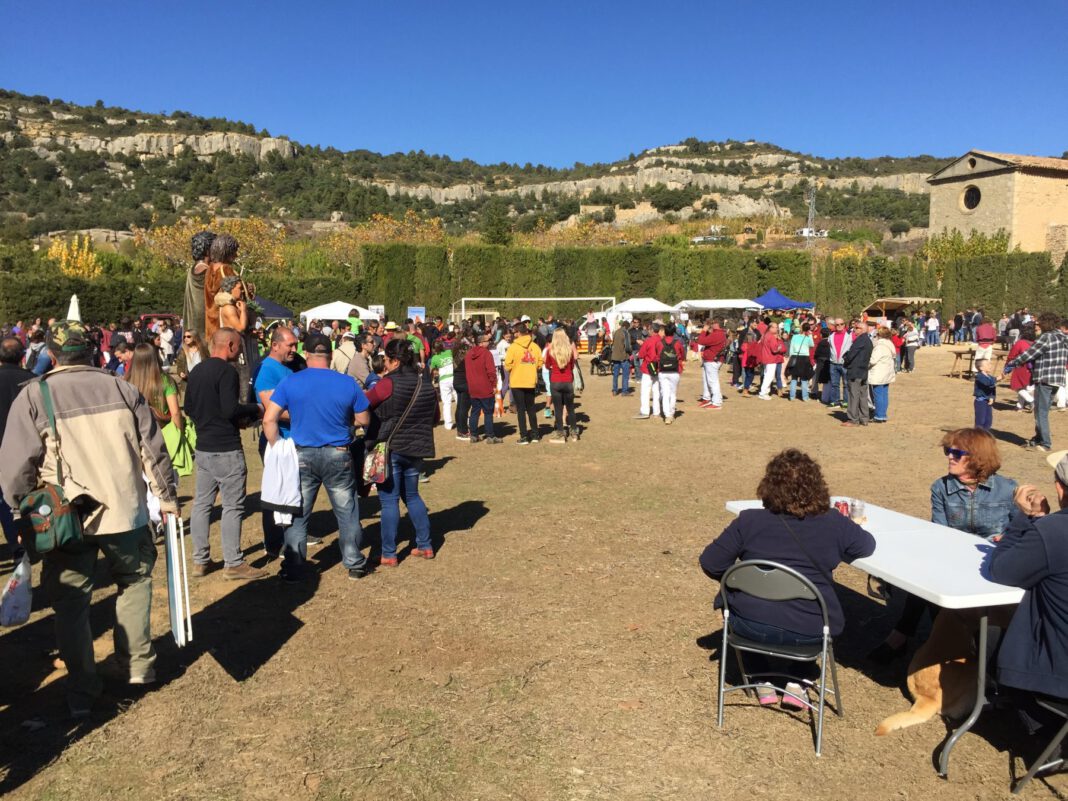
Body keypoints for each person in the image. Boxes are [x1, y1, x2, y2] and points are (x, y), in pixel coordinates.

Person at [0, 321, 177, 715]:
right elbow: (153, 450)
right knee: (133, 583)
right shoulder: (121, 387)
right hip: (124, 509)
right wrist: (166, 497)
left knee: (71, 601)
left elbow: (15, 469)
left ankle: (82, 686)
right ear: (92, 350)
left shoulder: (34, 395)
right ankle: (136, 668)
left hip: (64, 518)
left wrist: (20, 511)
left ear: (51, 352)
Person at [700, 449, 875, 705]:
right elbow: (866, 546)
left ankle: (761, 677)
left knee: (749, 608)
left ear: (768, 485)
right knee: (803, 617)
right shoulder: (834, 523)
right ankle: (798, 679)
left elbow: (710, 562)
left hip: (747, 624)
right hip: (810, 630)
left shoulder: (749, 521)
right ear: (818, 486)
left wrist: (741, 581)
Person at [869, 428, 1018, 663]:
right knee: (924, 574)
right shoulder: (941, 488)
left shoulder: (1008, 489)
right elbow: (940, 532)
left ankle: (903, 637)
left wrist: (1005, 538)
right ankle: (920, 637)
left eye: (957, 453)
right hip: (955, 558)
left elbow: (1020, 531)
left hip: (994, 561)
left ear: (977, 457)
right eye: (948, 451)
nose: (949, 456)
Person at [263, 333, 373, 582]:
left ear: (306, 353)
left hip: (302, 454)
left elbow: (269, 419)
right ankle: (354, 562)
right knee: (347, 512)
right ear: (331, 354)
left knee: (298, 514)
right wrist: (348, 422)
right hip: (339, 453)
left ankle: (293, 566)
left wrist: (278, 446)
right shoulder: (346, 383)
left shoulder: (291, 382)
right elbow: (364, 419)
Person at [184, 328, 265, 580]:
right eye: (239, 346)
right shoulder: (227, 371)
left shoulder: (197, 370)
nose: (240, 350)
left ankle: (200, 560)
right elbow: (230, 409)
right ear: (229, 345)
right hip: (226, 449)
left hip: (204, 447)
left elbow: (188, 407)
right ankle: (233, 563)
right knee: (232, 506)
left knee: (201, 504)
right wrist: (256, 408)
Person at [988, 453, 1068, 704]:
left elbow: (1001, 570)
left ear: (1059, 488)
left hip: (1059, 675)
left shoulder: (1054, 531)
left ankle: (1010, 702)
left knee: (985, 622)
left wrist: (1025, 519)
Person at [362, 339, 438, 565]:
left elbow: (364, 403)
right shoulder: (426, 384)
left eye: (386, 359)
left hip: (391, 447)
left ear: (394, 361)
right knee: (412, 496)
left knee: (389, 501)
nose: (384, 364)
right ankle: (425, 545)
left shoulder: (387, 384)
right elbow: (435, 418)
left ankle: (388, 552)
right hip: (416, 448)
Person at [254, 327, 302, 557]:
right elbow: (271, 409)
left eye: (296, 345)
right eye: (290, 345)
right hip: (276, 439)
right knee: (276, 490)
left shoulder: (287, 368)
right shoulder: (267, 370)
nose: (294, 349)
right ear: (275, 345)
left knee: (294, 487)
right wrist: (307, 414)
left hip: (291, 438)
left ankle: (294, 533)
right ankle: (273, 542)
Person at [1004, 312, 1068, 453]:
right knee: (1042, 410)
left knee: (1040, 412)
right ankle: (1038, 438)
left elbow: (1029, 354)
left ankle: (1045, 443)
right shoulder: (1063, 337)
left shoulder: (1046, 337)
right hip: (1058, 379)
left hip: (1045, 378)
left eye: (1039, 323)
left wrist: (1012, 364)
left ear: (1047, 323)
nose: (1036, 326)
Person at [125, 343, 185, 476]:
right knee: (166, 479)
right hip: (162, 435)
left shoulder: (127, 381)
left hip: (138, 436)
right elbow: (175, 412)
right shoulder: (165, 380)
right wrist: (178, 435)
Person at [0, 337, 33, 554]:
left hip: (2, 444)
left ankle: (15, 539)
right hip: (28, 446)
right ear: (23, 357)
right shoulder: (33, 381)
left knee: (3, 499)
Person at [504, 322, 543, 444]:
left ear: (518, 333)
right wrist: (531, 368)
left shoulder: (513, 347)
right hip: (530, 381)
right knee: (531, 408)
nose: (513, 334)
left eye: (515, 332)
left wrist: (516, 368)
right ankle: (535, 434)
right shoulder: (535, 347)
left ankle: (524, 436)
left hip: (517, 381)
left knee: (521, 409)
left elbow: (507, 365)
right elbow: (540, 363)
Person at [465, 331, 501, 444]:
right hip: (485, 387)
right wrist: (494, 385)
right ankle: (490, 436)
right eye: (487, 340)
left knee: (474, 412)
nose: (489, 342)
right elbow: (491, 371)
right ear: (481, 342)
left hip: (473, 387)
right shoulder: (486, 354)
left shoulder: (469, 354)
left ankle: (474, 435)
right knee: (488, 412)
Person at [544, 328, 578, 442]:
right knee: (570, 408)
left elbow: (547, 365)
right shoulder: (569, 350)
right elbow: (573, 365)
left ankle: (560, 433)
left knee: (558, 409)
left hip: (556, 381)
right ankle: (574, 432)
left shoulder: (550, 350)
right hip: (568, 381)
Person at [203, 233, 238, 342]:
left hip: (211, 326)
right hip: (226, 327)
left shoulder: (210, 269)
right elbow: (237, 293)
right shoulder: (226, 270)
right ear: (226, 252)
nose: (236, 255)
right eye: (234, 252)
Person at [841, 320, 873, 427]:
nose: (854, 329)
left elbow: (851, 355)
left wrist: (845, 359)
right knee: (863, 395)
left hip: (856, 371)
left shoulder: (860, 340)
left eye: (857, 328)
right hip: (863, 371)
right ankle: (864, 418)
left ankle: (853, 419)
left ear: (863, 329)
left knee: (853, 395)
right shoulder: (867, 340)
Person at [696, 319, 727, 409]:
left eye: (713, 323)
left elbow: (701, 341)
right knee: (707, 380)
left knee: (713, 382)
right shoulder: (718, 333)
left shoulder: (717, 334)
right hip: (712, 360)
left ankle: (717, 402)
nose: (711, 324)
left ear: (717, 324)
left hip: (712, 360)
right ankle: (707, 398)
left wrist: (704, 330)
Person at [868, 326, 896, 423]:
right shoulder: (890, 344)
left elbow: (873, 360)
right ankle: (882, 414)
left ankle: (879, 415)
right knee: (884, 394)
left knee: (878, 395)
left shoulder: (880, 346)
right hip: (887, 373)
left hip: (879, 373)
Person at [1006, 323, 1036, 412]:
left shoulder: (1020, 343)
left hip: (1021, 367)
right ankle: (1019, 405)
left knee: (1017, 386)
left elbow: (1012, 355)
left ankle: (1031, 401)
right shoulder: (1035, 343)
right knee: (1024, 386)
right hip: (1032, 368)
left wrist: (1007, 365)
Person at [429, 338, 456, 430]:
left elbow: (431, 371)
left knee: (446, 402)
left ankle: (448, 424)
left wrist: (431, 380)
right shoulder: (449, 352)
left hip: (444, 380)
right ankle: (464, 419)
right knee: (459, 400)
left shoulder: (434, 358)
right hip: (453, 377)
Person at [785, 322, 814, 402]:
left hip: (795, 357)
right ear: (808, 329)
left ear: (801, 328)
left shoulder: (794, 336)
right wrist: (810, 335)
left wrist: (791, 358)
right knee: (804, 378)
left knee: (794, 378)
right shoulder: (808, 337)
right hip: (804, 358)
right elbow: (812, 345)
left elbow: (791, 348)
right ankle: (805, 397)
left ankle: (792, 396)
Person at [826, 318, 851, 408]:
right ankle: (835, 401)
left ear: (844, 324)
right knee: (834, 383)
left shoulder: (850, 335)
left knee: (846, 384)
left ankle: (846, 401)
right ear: (834, 326)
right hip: (833, 363)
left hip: (845, 363)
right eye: (837, 324)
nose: (839, 326)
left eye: (841, 324)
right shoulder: (831, 336)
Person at [757, 322, 785, 401]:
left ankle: (765, 392)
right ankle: (763, 393)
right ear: (770, 328)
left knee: (767, 375)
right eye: (775, 327)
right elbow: (774, 349)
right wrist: (779, 347)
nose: (777, 329)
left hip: (766, 358)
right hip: (771, 359)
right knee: (769, 377)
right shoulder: (771, 337)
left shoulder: (765, 335)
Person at [610, 320, 633, 397]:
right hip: (623, 356)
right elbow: (628, 347)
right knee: (625, 374)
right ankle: (624, 391)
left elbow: (613, 343)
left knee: (615, 374)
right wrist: (630, 353)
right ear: (626, 326)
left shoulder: (616, 332)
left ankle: (614, 390)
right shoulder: (626, 333)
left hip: (615, 356)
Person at [974, 358, 997, 430]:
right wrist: (997, 378)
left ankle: (985, 436)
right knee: (980, 421)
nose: (990, 365)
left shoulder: (990, 377)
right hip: (980, 402)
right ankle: (977, 437)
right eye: (987, 364)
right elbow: (987, 383)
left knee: (988, 420)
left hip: (987, 402)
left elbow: (993, 388)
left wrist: (992, 397)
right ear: (981, 368)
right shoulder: (979, 376)